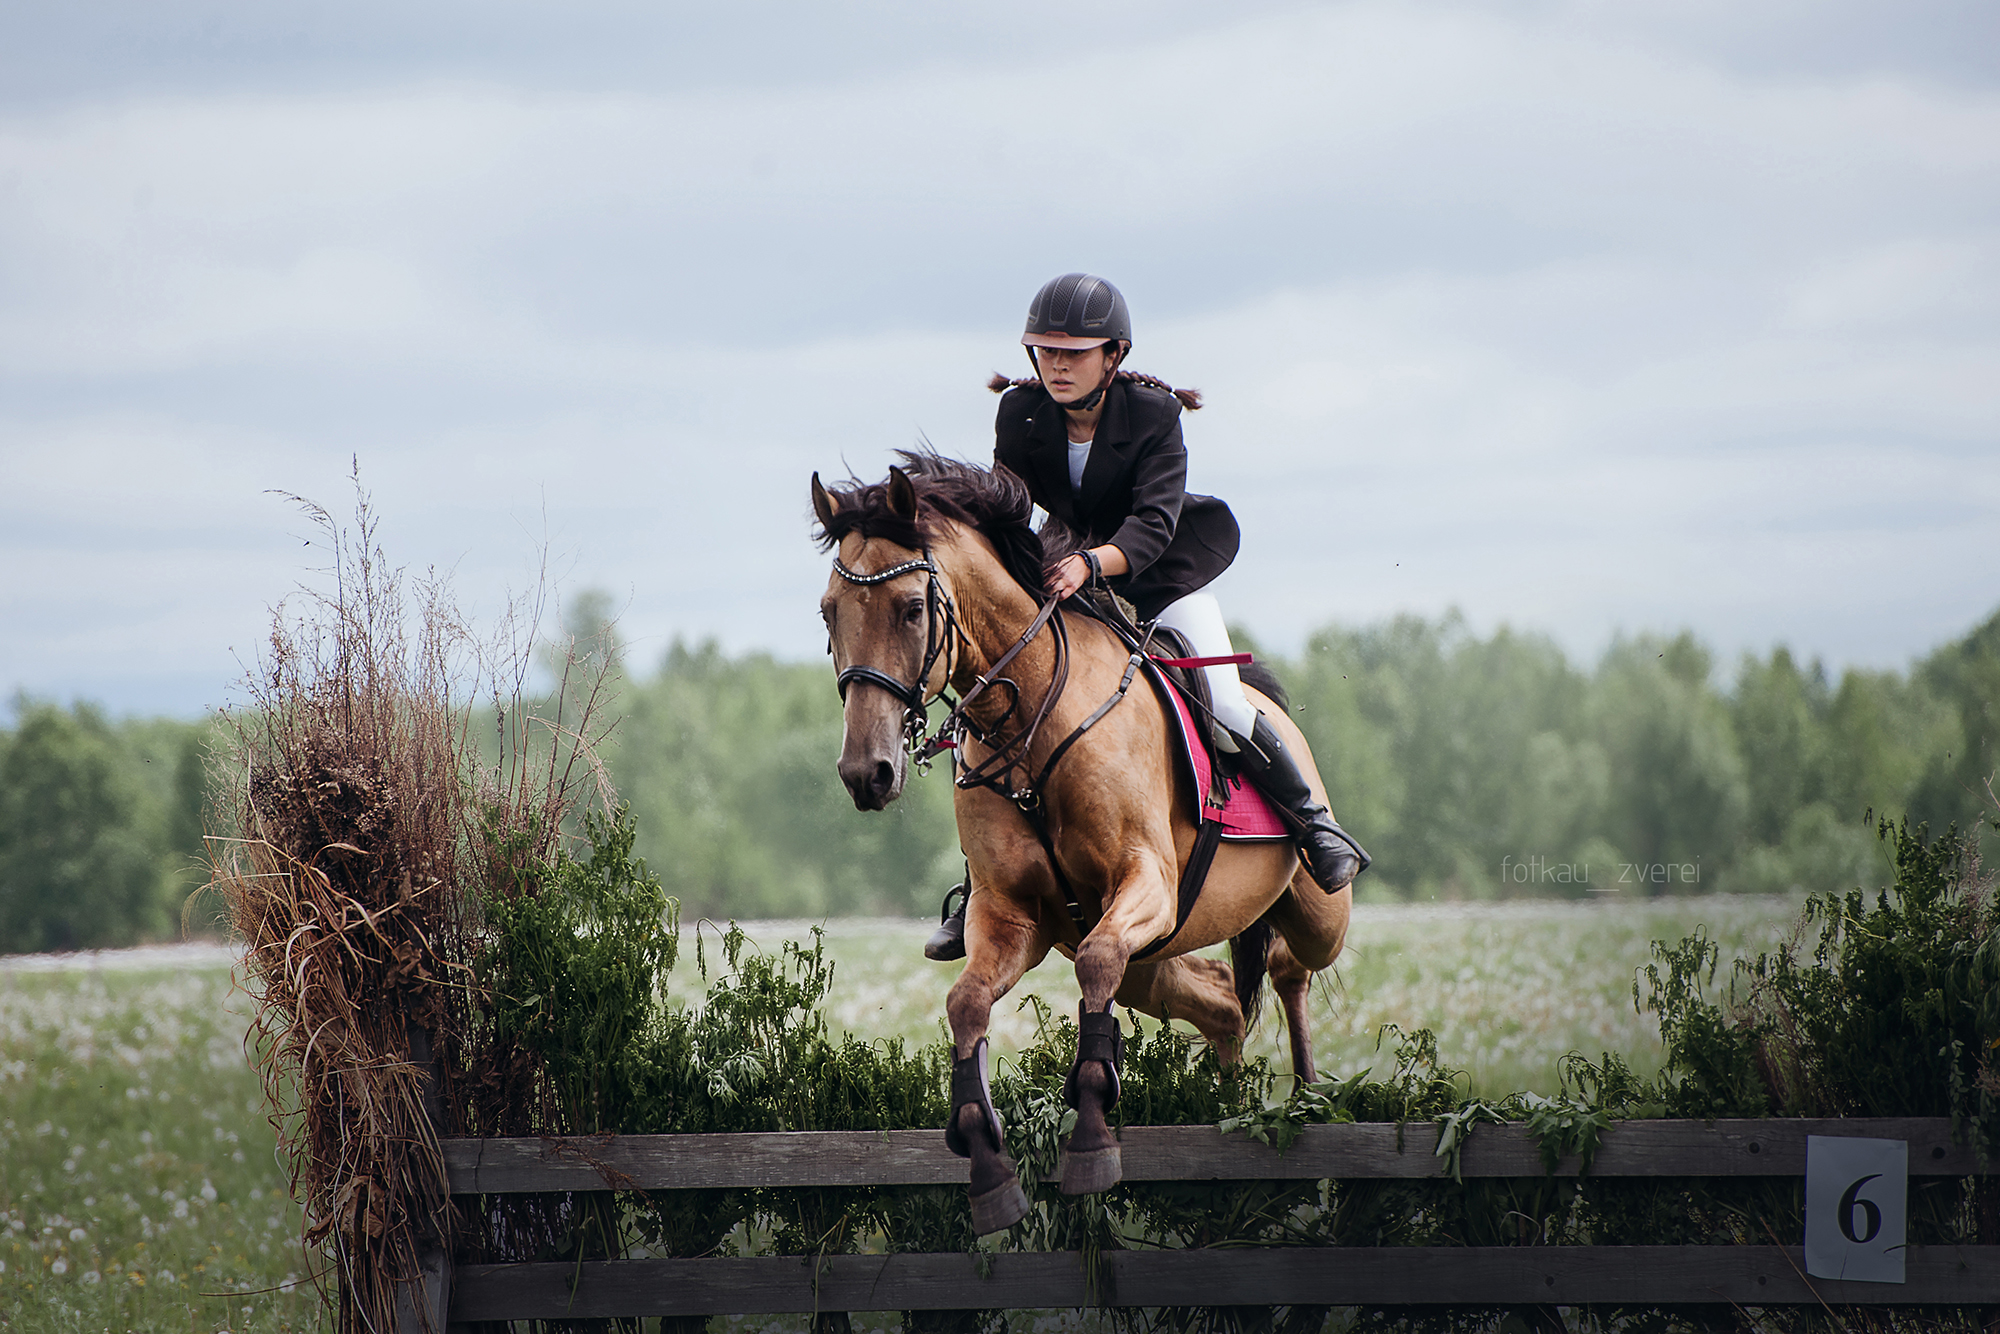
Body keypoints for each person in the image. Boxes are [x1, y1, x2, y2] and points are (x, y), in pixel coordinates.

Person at [926, 273, 1369, 962]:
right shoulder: (1021, 414)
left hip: (1159, 574)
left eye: (1075, 352)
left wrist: (1093, 564)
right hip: (1063, 576)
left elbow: (1154, 523)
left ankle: (1312, 827)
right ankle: (980, 883)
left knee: (1222, 700)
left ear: (1116, 354)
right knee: (1008, 712)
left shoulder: (1155, 416)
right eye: (1045, 351)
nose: (1057, 365)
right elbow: (1008, 508)